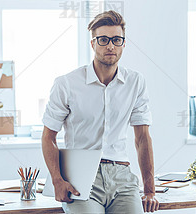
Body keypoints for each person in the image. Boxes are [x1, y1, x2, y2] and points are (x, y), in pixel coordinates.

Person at [42, 10, 159, 213]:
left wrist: (150, 190)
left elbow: (142, 138)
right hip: (81, 179)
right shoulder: (66, 84)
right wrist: (57, 180)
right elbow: (48, 136)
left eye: (116, 39)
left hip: (122, 176)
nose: (110, 46)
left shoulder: (135, 82)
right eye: (103, 39)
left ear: (123, 43)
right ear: (93, 43)